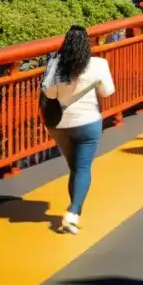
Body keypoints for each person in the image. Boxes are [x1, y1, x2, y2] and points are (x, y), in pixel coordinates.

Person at [42, 25, 116, 235]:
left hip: (61, 125)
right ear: (87, 45)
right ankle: (73, 212)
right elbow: (108, 92)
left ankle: (73, 208)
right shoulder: (99, 64)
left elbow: (50, 94)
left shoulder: (56, 64)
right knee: (82, 168)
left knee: (74, 168)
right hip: (88, 122)